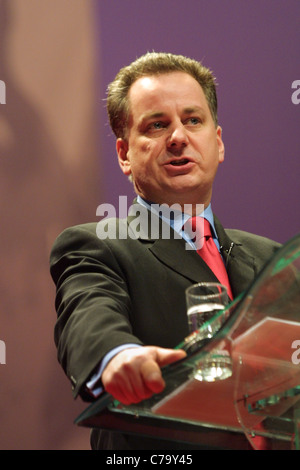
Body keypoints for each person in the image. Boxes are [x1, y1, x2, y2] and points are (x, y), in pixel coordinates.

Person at [50, 52, 281, 450]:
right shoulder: (97, 246)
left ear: (218, 142)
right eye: (157, 125)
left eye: (193, 120)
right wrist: (116, 358)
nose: (178, 137)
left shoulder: (273, 260)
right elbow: (89, 313)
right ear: (124, 153)